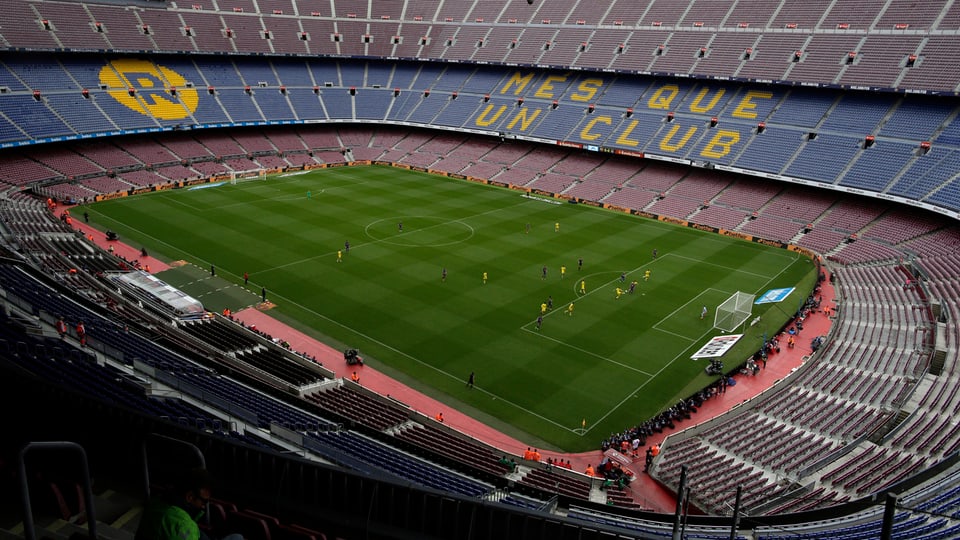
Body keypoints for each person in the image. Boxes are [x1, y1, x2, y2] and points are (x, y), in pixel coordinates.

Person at [135, 467, 235, 540]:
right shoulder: (185, 526)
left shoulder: (155, 503)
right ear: (190, 497)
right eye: (204, 501)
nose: (204, 506)